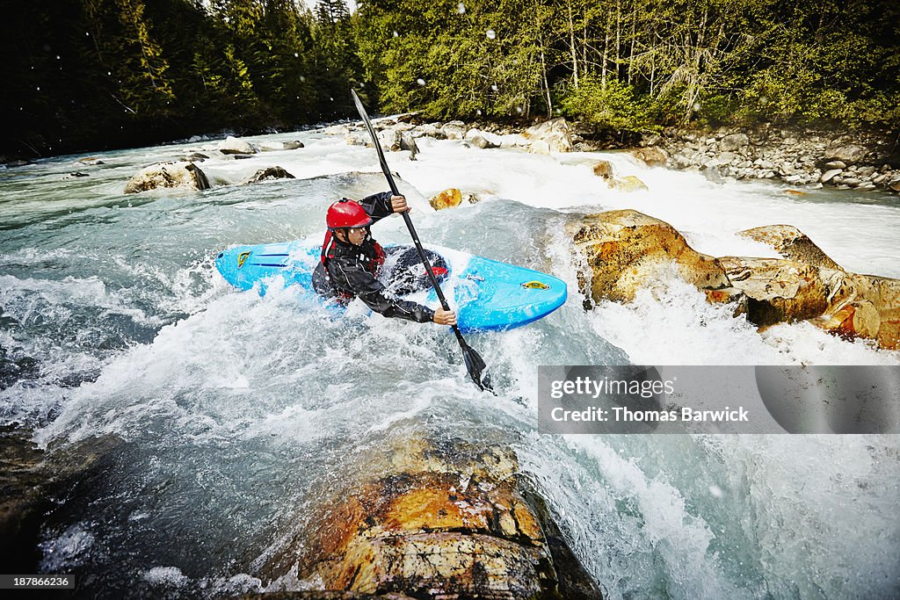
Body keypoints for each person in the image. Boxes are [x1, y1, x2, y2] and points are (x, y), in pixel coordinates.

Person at [312, 192, 457, 326]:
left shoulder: (350, 224)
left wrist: (389, 202)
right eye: (358, 229)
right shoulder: (346, 268)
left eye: (365, 226)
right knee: (407, 285)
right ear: (339, 233)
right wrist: (430, 315)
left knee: (428, 261)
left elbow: (373, 206)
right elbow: (384, 303)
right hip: (349, 288)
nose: (364, 231)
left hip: (367, 261)